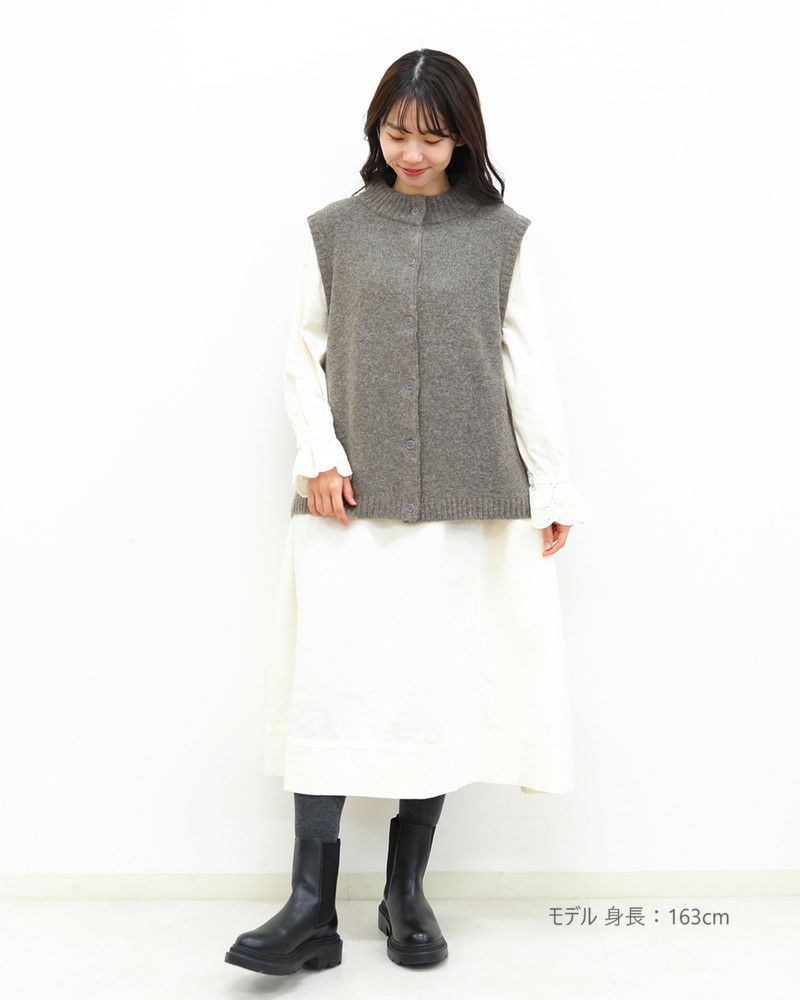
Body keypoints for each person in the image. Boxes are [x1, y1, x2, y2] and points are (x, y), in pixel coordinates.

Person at [225, 47, 594, 977]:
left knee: (437, 685)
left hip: (471, 500)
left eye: (433, 136)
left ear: (463, 137)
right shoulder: (334, 231)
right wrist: (320, 456)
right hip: (349, 500)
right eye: (397, 134)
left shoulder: (502, 236)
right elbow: (302, 354)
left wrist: (552, 487)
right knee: (331, 682)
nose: (413, 152)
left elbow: (528, 365)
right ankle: (310, 907)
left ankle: (405, 892)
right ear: (376, 131)